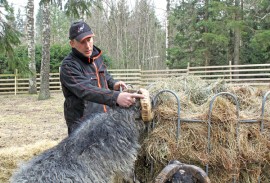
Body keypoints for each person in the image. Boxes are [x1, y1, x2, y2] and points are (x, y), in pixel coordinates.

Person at [60, 21, 144, 135]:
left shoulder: (96, 57)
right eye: (82, 42)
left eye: (89, 39)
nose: (88, 45)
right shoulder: (69, 66)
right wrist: (116, 97)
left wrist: (113, 84)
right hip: (82, 124)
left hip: (104, 118)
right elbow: (85, 90)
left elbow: (104, 75)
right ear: (72, 43)